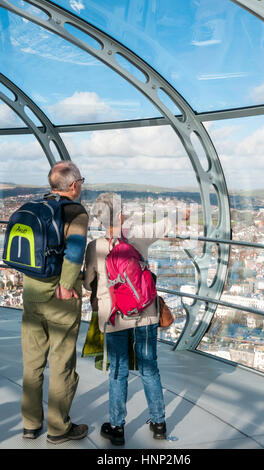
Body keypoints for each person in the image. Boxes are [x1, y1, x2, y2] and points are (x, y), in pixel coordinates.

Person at [83, 192, 172, 446]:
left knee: (119, 371)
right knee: (149, 368)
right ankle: (159, 424)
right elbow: (167, 223)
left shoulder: (95, 247)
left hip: (114, 317)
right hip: (146, 315)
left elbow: (88, 283)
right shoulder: (138, 236)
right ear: (121, 215)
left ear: (100, 221)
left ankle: (117, 427)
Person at [21, 161, 89, 445]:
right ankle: (58, 429)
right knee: (61, 364)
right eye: (81, 180)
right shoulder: (76, 211)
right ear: (73, 185)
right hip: (61, 298)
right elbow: (74, 251)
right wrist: (64, 285)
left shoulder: (36, 205)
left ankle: (30, 424)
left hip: (32, 293)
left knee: (32, 364)